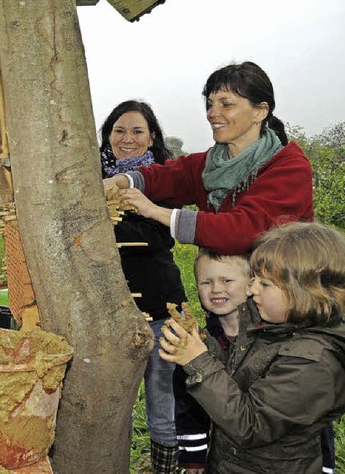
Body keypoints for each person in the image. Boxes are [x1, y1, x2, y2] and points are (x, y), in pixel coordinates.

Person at [160, 222, 345, 472]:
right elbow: (237, 379)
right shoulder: (277, 328)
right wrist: (203, 345)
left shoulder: (312, 362)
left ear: (303, 292)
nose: (251, 288)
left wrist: (199, 360)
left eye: (264, 284)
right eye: (254, 279)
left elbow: (250, 425)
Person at [103, 61, 313, 255]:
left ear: (260, 112)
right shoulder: (209, 163)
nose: (212, 113)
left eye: (226, 104)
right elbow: (167, 176)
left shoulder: (289, 167)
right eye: (210, 104)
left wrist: (155, 211)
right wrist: (119, 181)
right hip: (228, 290)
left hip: (285, 289)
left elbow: (243, 230)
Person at [100, 100, 187, 473]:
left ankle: (165, 468)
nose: (128, 138)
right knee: (105, 402)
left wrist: (103, 219)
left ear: (152, 136)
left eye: (137, 131)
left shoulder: (163, 179)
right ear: (108, 136)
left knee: (162, 400)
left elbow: (153, 235)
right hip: (104, 310)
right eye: (119, 130)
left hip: (159, 305)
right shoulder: (92, 180)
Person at [175, 249, 251, 472]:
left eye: (226, 280)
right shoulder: (197, 343)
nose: (216, 289)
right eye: (206, 282)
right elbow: (187, 401)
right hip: (223, 458)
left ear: (251, 283)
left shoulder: (272, 336)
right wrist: (194, 453)